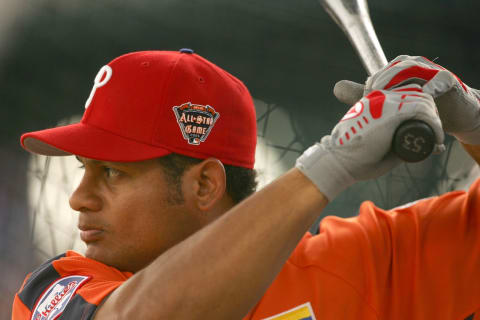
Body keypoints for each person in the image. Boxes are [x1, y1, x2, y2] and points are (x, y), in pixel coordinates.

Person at [11, 50, 480, 320]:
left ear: (205, 185)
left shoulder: (362, 262)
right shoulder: (56, 290)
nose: (78, 198)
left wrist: (473, 123)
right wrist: (332, 162)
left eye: (113, 172)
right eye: (83, 169)